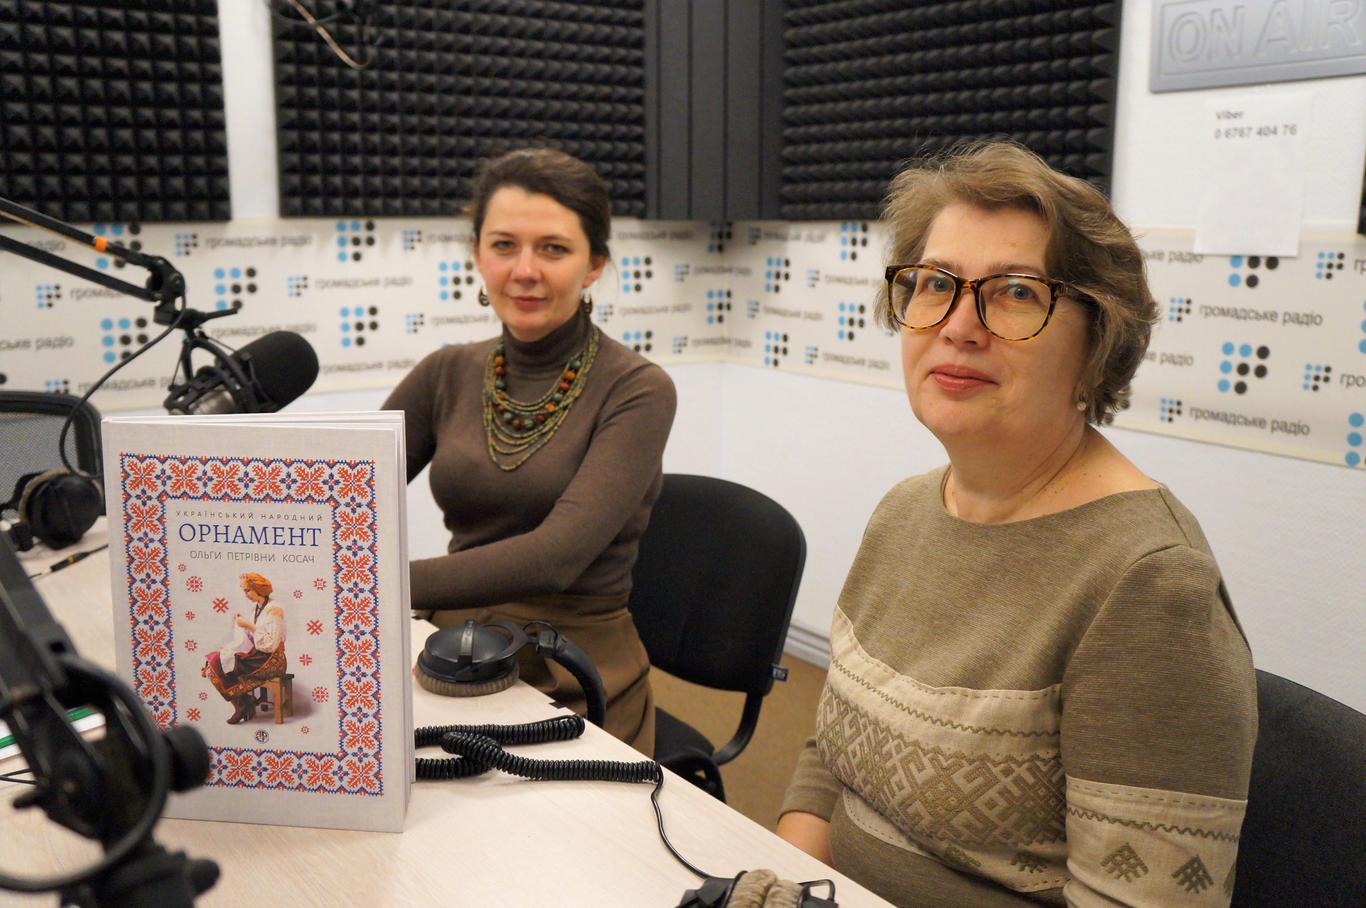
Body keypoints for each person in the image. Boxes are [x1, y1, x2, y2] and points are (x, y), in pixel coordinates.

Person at [776, 142, 1257, 907]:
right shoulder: (905, 511)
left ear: (1098, 340)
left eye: (1015, 293)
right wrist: (790, 883)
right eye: (936, 284)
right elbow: (829, 758)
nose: (960, 326)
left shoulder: (1150, 583)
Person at [383, 148, 676, 755]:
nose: (524, 270)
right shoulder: (445, 372)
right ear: (477, 255)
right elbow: (342, 492)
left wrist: (372, 583)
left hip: (573, 669)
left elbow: (554, 557)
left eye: (553, 248)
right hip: (451, 650)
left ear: (594, 265)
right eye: (504, 245)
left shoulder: (638, 389)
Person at [203, 572, 287, 725]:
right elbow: (255, 635)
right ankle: (243, 703)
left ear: (258, 589)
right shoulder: (257, 608)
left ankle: (243, 705)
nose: (245, 594)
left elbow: (270, 644)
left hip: (271, 660)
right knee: (214, 662)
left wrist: (248, 625)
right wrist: (243, 626)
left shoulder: (275, 609)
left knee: (220, 663)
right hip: (258, 655)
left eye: (247, 590)